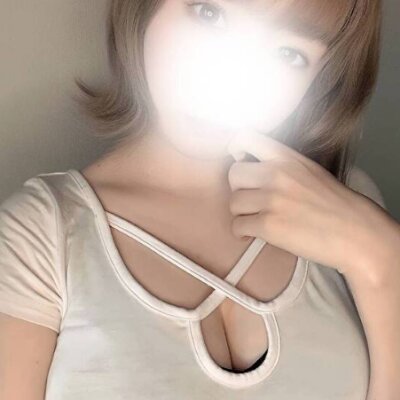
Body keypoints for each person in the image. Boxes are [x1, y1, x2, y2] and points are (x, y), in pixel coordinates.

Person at [0, 0, 393, 399]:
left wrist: (386, 262)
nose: (235, 72)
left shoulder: (350, 207)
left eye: (289, 53)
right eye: (209, 13)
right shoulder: (42, 236)